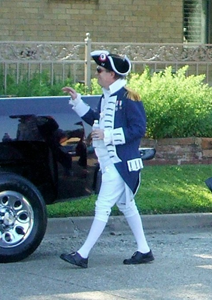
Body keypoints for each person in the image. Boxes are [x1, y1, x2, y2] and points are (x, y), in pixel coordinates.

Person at [60, 50, 153, 268]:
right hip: (110, 162)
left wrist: (109, 135)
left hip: (121, 163)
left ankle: (82, 255)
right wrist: (77, 101)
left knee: (102, 206)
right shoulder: (107, 96)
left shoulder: (129, 98)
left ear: (112, 74)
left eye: (100, 71)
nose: (97, 74)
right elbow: (96, 119)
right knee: (127, 206)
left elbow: (138, 129)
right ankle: (144, 250)